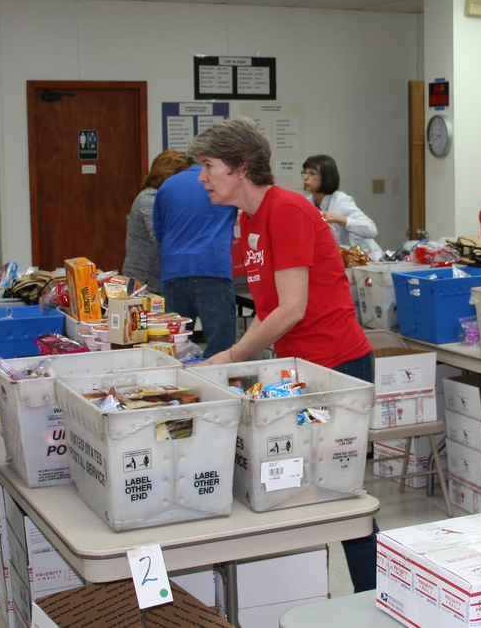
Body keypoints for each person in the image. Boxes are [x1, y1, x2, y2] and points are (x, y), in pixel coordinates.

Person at [188, 118, 378, 591]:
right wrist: (240, 360)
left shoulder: (288, 209)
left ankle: (376, 595)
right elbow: (269, 311)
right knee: (306, 483)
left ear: (242, 168)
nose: (201, 177)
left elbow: (291, 309)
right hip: (301, 368)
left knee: (337, 489)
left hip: (335, 368)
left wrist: (231, 357)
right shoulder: (250, 219)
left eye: (209, 166)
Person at [151, 154, 238, 357]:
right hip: (212, 269)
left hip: (173, 272)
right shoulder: (224, 185)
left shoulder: (167, 186)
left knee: (175, 345)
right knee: (221, 345)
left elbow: (159, 234)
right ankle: (215, 385)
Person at [122, 149, 192, 292]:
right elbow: (162, 238)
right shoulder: (149, 199)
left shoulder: (168, 198)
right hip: (144, 282)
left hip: (161, 279)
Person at [301, 154, 381, 254]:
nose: (305, 177)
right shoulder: (306, 203)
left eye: (312, 174)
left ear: (326, 177)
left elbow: (371, 230)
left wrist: (339, 219)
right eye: (305, 173)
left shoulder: (341, 201)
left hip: (355, 261)